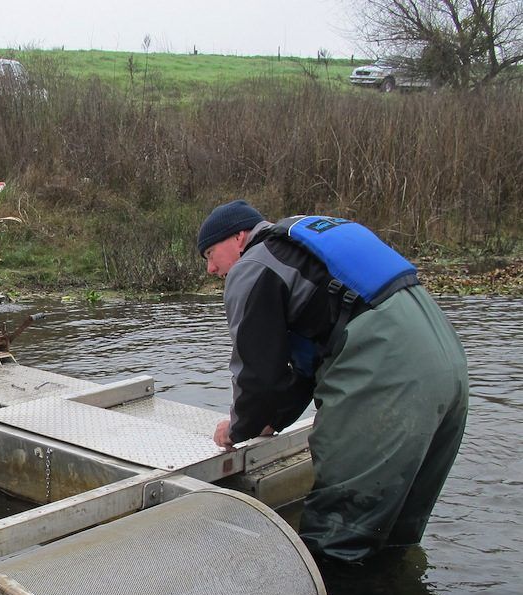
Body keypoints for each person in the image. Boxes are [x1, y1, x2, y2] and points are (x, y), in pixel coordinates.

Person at [197, 199, 468, 563]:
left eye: (211, 254)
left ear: (240, 236)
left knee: (337, 540)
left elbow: (259, 372)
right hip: (446, 360)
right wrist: (271, 420)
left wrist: (239, 427)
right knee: (394, 535)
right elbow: (310, 363)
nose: (213, 269)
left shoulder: (253, 265)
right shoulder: (303, 247)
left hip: (387, 366)